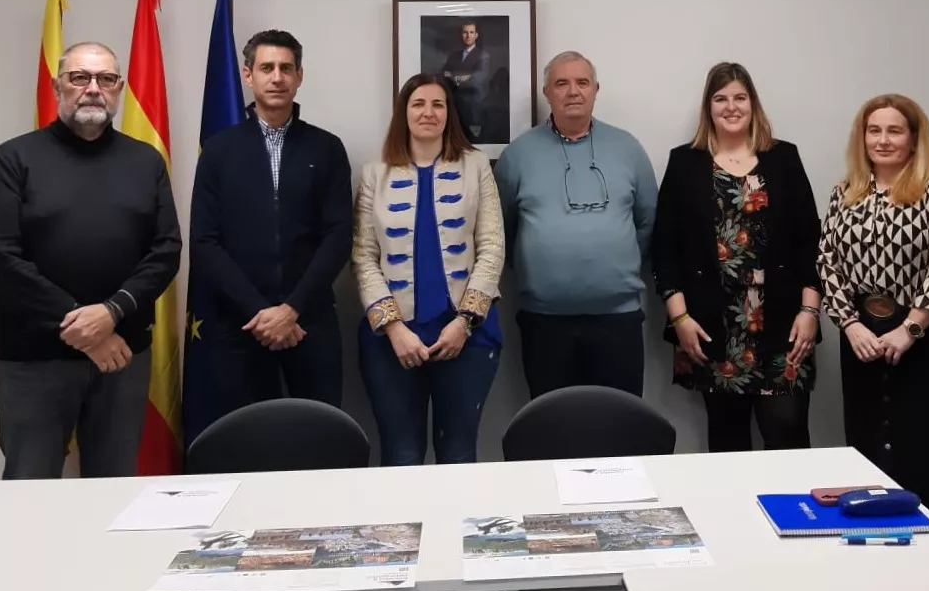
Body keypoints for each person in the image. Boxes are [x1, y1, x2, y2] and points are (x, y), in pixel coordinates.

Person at [0, 41, 181, 479]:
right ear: (57, 85)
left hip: (122, 358)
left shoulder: (144, 161)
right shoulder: (12, 160)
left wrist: (111, 313)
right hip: (34, 362)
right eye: (79, 78)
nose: (92, 89)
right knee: (30, 491)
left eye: (105, 79)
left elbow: (165, 251)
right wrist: (86, 330)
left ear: (119, 88)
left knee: (112, 495)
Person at [817, 93, 929, 537]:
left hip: (922, 340)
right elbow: (827, 261)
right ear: (862, 138)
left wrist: (911, 328)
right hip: (862, 337)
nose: (883, 140)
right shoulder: (844, 193)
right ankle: (874, 545)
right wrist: (850, 324)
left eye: (894, 130)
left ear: (913, 137)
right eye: (874, 130)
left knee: (926, 451)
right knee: (868, 451)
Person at [188, 29, 353, 438]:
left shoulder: (326, 148)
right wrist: (260, 314)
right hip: (240, 326)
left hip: (309, 322)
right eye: (266, 68)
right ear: (248, 75)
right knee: (243, 447)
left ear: (299, 76)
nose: (276, 77)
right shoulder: (219, 150)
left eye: (286, 68)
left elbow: (338, 236)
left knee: (320, 445)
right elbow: (205, 242)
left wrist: (291, 310)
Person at [651, 62, 822, 452]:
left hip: (784, 327)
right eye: (721, 98)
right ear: (708, 107)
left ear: (753, 104)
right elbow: (665, 249)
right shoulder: (685, 162)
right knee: (728, 448)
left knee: (788, 438)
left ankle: (794, 515)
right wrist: (679, 319)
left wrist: (809, 313)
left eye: (739, 97)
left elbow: (811, 243)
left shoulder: (784, 159)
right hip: (713, 328)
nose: (731, 107)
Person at [354, 73, 504, 466]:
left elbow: (492, 248)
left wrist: (464, 322)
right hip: (392, 340)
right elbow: (363, 257)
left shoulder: (476, 167)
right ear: (404, 112)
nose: (428, 112)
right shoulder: (375, 174)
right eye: (418, 103)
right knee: (401, 454)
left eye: (438, 104)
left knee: (458, 452)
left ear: (449, 114)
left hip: (466, 336)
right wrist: (393, 328)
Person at [495, 51, 658, 398]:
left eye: (582, 82)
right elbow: (502, 231)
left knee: (620, 427)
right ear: (546, 93)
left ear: (596, 89)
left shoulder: (627, 148)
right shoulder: (518, 155)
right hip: (544, 320)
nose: (573, 91)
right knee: (553, 430)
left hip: (618, 319)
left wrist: (615, 265)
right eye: (561, 83)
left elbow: (648, 221)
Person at [441, 21, 490, 139]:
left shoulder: (483, 55)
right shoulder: (454, 56)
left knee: (472, 140)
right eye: (465, 32)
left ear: (476, 35)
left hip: (472, 105)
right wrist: (463, 76)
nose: (468, 36)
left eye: (471, 32)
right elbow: (445, 73)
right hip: (455, 105)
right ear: (461, 34)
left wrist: (458, 77)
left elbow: (479, 77)